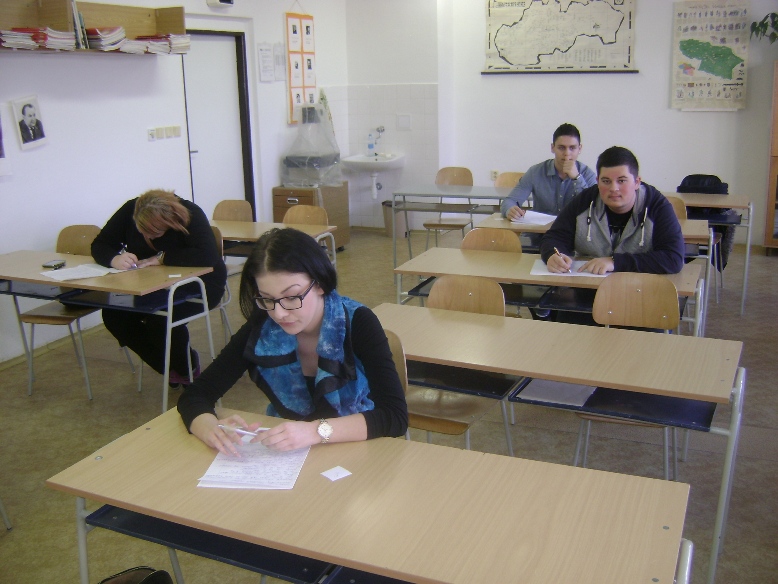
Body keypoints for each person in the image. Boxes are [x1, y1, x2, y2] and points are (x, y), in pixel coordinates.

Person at [177, 227, 408, 455]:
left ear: (319, 283)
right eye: (267, 299)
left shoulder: (357, 322)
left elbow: (394, 416)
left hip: (357, 447)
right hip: (288, 453)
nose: (279, 314)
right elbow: (196, 395)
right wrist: (209, 427)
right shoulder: (263, 329)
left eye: (291, 297)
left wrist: (315, 431)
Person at [91, 189, 227, 385]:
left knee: (161, 317)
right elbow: (100, 244)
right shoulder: (131, 210)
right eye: (142, 232)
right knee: (114, 315)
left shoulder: (191, 214)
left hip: (201, 284)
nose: (148, 237)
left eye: (154, 233)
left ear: (170, 222)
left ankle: (187, 371)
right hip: (150, 285)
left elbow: (208, 256)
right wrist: (114, 259)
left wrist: (163, 258)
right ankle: (171, 368)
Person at [540, 146, 685, 275]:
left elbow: (673, 258)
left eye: (621, 181)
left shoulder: (656, 206)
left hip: (639, 289)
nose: (613, 188)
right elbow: (554, 237)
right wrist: (552, 255)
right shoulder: (585, 201)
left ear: (637, 182)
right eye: (606, 181)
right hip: (589, 286)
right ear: (597, 181)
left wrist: (615, 262)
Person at [500, 123, 596, 220]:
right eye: (561, 148)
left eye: (572, 148)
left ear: (579, 149)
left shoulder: (587, 174)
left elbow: (594, 209)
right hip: (540, 229)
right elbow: (509, 202)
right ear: (552, 148)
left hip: (573, 229)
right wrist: (510, 210)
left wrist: (577, 178)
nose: (567, 153)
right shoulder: (535, 172)